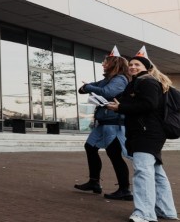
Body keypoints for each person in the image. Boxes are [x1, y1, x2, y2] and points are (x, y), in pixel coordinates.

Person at [106, 47, 177, 222]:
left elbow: (148, 105)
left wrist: (120, 107)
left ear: (146, 67)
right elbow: (130, 101)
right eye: (130, 64)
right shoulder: (136, 83)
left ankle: (144, 214)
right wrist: (115, 103)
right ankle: (166, 211)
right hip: (147, 132)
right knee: (156, 172)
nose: (132, 67)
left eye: (137, 64)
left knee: (143, 172)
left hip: (147, 133)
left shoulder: (147, 82)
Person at [74, 49, 131, 199]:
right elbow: (83, 90)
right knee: (90, 147)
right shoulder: (107, 80)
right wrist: (86, 88)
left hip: (114, 123)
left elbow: (107, 92)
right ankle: (94, 182)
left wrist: (88, 87)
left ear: (114, 64)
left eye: (106, 62)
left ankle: (125, 190)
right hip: (103, 122)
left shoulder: (120, 79)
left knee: (114, 155)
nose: (103, 64)